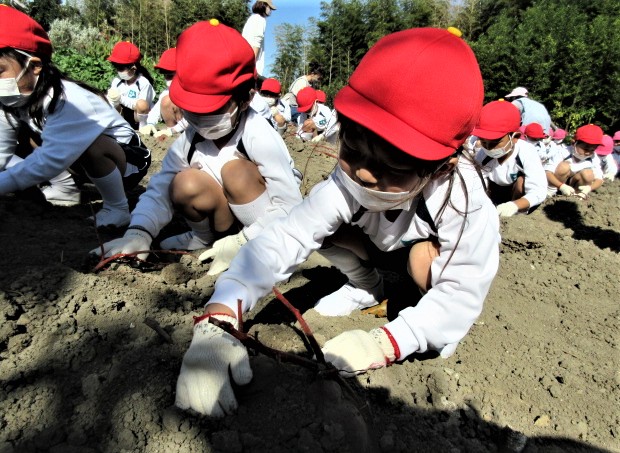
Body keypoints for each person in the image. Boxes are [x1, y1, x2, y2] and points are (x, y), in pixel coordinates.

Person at [175, 27, 501, 417]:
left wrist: (388, 341)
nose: (363, 172)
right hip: (373, 248)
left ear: (441, 167)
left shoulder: (463, 199)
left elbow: (462, 292)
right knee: (323, 227)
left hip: (418, 258)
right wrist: (220, 314)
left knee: (421, 262)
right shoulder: (346, 182)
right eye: (353, 150)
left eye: (392, 166)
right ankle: (367, 286)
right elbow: (290, 236)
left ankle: (417, 309)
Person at [93, 19, 302, 270]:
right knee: (184, 182)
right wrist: (139, 232)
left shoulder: (257, 134)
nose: (201, 119)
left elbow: (289, 204)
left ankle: (261, 249)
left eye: (212, 109)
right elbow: (161, 187)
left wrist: (245, 240)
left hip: (265, 218)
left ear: (246, 99)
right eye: (193, 109)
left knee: (236, 172)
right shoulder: (191, 138)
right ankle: (206, 239)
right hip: (225, 215)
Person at [0, 6, 151, 227]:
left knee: (92, 144)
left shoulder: (68, 100)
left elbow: (49, 161)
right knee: (25, 133)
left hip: (127, 162)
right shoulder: (12, 100)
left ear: (34, 66)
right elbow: (1, 151)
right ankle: (65, 188)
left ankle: (117, 207)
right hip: (75, 159)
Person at [473, 101, 547, 217]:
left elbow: (538, 190)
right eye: (483, 142)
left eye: (495, 143)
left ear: (515, 137)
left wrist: (514, 205)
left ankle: (515, 217)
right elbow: (475, 182)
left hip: (515, 195)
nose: (488, 148)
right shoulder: (483, 154)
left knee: (521, 181)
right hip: (494, 192)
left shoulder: (527, 152)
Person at [544, 124, 604, 199]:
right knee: (564, 167)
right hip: (556, 184)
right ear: (574, 143)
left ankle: (576, 196)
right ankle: (551, 191)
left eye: (592, 150)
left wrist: (589, 188)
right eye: (585, 149)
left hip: (574, 184)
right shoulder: (563, 151)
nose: (588, 153)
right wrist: (561, 186)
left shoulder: (594, 158)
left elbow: (599, 179)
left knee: (588, 174)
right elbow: (548, 172)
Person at [140, 48, 188, 139]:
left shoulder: (191, 91)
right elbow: (156, 110)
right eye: (165, 75)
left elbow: (194, 119)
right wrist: (150, 123)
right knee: (165, 100)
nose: (167, 79)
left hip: (194, 128)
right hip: (177, 127)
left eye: (170, 75)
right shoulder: (167, 91)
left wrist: (173, 130)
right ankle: (174, 138)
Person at [106, 41, 155, 130]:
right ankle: (115, 126)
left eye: (121, 68)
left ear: (134, 67)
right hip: (123, 116)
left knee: (141, 104)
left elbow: (142, 106)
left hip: (139, 117)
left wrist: (120, 98)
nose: (118, 71)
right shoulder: (117, 81)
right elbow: (112, 104)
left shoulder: (143, 83)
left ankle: (143, 129)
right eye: (116, 67)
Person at [241, 0, 276, 77]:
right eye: (269, 8)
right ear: (264, 5)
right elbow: (256, 42)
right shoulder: (261, 19)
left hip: (244, 61)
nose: (270, 10)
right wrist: (251, 65)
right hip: (251, 66)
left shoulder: (252, 18)